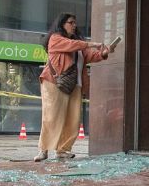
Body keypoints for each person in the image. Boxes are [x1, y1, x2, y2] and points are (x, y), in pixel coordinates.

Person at [34, 13, 111, 162]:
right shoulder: (56, 39)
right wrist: (91, 43)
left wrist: (103, 53)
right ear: (62, 24)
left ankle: (63, 150)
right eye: (71, 22)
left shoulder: (78, 43)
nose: (74, 25)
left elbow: (91, 56)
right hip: (55, 82)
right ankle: (43, 150)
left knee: (73, 119)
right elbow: (72, 46)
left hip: (76, 84)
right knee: (51, 116)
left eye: (75, 23)